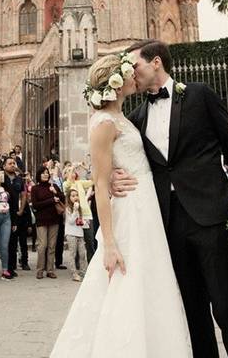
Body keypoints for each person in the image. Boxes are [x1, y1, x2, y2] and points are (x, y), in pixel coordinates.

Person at [113, 40, 228, 358]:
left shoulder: (200, 94)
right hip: (167, 224)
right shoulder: (136, 117)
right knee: (191, 312)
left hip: (210, 215)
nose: (129, 74)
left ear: (156, 63)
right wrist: (113, 177)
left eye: (133, 66)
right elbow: (128, 163)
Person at [50, 53, 192, 357]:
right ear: (115, 83)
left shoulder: (125, 118)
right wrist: (110, 243)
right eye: (128, 72)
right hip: (129, 212)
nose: (134, 75)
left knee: (150, 280)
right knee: (127, 282)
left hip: (146, 209)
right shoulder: (103, 123)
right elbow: (100, 184)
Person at [30, 165, 63, 279]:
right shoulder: (35, 188)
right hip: (41, 221)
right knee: (42, 246)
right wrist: (51, 200)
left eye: (47, 172)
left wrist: (56, 193)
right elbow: (35, 205)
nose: (45, 174)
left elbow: (63, 198)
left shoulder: (53, 186)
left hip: (54, 219)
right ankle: (40, 270)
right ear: (39, 175)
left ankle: (50, 270)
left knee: (52, 246)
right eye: (43, 173)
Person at [3, 155, 29, 273]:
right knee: (7, 241)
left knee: (16, 240)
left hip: (17, 213)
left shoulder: (19, 179)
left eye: (14, 163)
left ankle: (14, 266)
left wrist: (21, 210)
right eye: (10, 163)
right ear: (4, 166)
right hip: (4, 212)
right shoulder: (1, 177)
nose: (13, 165)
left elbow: (24, 194)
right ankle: (6, 266)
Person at [63, 188, 88, 281]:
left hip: (79, 233)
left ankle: (83, 272)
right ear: (69, 198)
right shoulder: (68, 208)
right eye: (73, 196)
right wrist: (75, 210)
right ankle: (74, 273)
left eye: (76, 195)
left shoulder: (79, 208)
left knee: (82, 254)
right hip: (71, 233)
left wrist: (85, 222)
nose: (75, 197)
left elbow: (79, 221)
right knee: (72, 254)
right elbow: (71, 221)